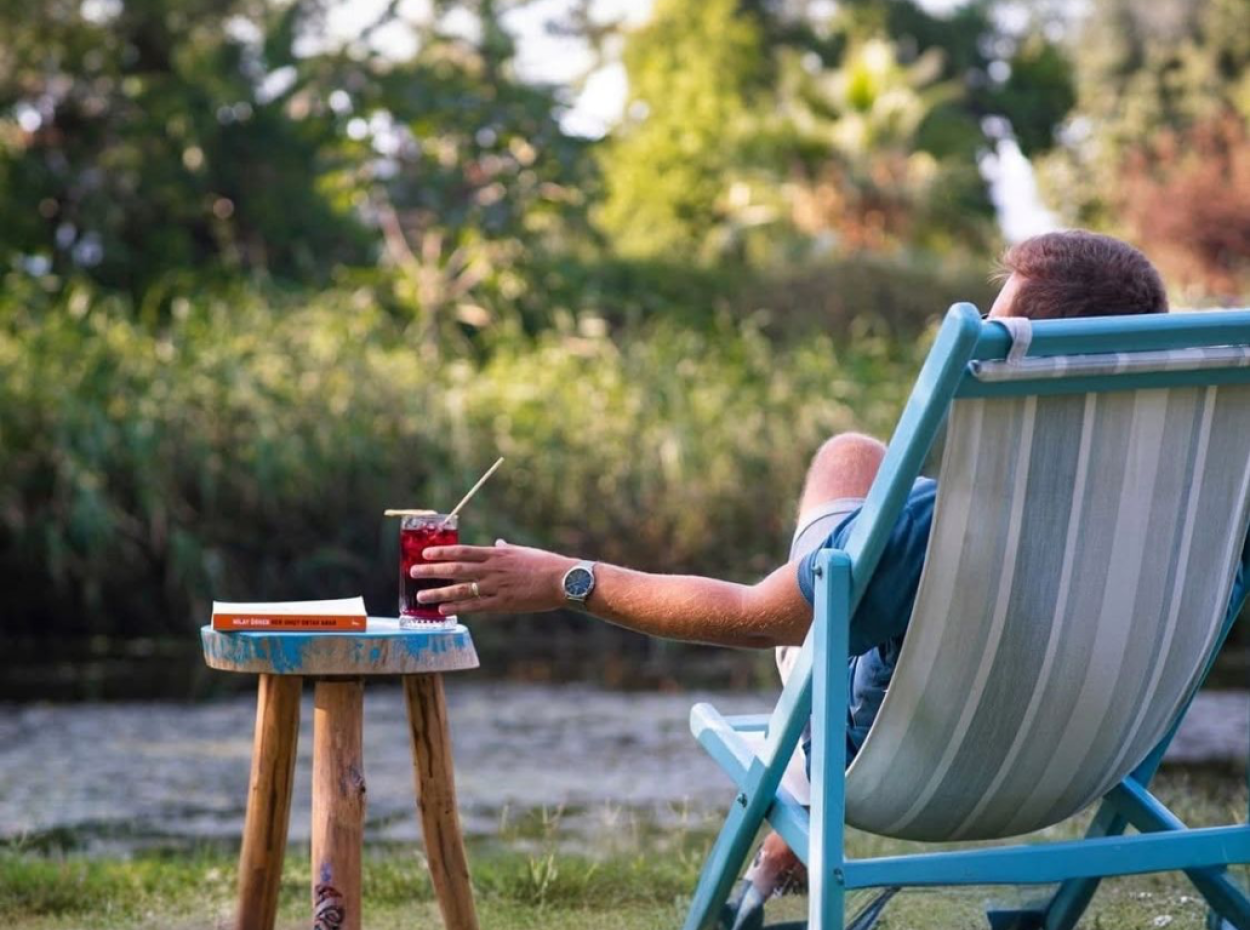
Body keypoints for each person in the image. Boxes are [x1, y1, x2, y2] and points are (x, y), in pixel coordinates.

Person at [410, 230, 1250, 929]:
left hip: (904, 768)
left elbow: (750, 615)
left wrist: (568, 578)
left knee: (847, 469)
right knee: (868, 472)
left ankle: (793, 817)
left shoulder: (946, 533)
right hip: (1095, 751)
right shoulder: (1197, 517)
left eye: (996, 331)